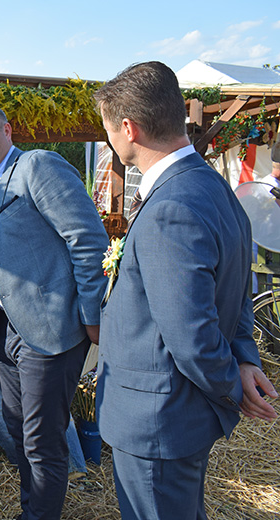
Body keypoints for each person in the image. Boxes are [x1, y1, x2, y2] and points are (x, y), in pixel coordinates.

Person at [94, 61, 278, 520]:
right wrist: (244, 356)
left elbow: (191, 334)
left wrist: (231, 382)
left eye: (108, 131)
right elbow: (236, 290)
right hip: (174, 418)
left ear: (129, 129)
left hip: (158, 420)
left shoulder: (170, 207)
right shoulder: (212, 185)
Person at [0, 102, 108, 520]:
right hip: (6, 330)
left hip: (48, 328)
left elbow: (88, 240)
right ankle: (33, 511)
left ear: (6, 129)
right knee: (20, 431)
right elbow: (6, 259)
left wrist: (92, 316)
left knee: (41, 440)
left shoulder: (37, 166)